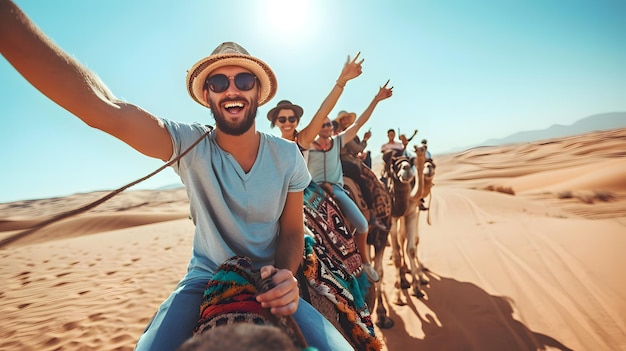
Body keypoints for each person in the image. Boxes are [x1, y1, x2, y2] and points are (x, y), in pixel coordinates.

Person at [0, 2, 352, 351]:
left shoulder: (288, 155)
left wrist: (286, 274)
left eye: (244, 80)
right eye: (219, 81)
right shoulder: (188, 144)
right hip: (204, 279)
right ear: (207, 95)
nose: (232, 89)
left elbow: (292, 230)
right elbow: (103, 108)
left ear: (258, 93)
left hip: (270, 276)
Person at [307, 82, 393, 282]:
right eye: (323, 124)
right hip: (312, 191)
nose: (327, 127)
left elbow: (359, 124)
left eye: (329, 124)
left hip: (336, 190)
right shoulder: (307, 146)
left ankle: (365, 261)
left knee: (362, 225)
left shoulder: (338, 141)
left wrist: (376, 100)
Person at [266, 52, 364, 160]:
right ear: (275, 121)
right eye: (282, 119)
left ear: (297, 121)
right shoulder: (272, 146)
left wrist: (341, 82)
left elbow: (322, 113)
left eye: (292, 119)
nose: (288, 123)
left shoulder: (302, 139)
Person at [334, 111, 387, 232]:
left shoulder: (339, 134)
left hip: (339, 163)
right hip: (346, 163)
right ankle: (372, 214)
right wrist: (365, 140)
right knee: (365, 182)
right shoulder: (344, 135)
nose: (346, 121)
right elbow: (357, 149)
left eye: (347, 119)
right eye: (343, 119)